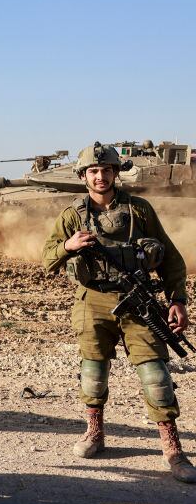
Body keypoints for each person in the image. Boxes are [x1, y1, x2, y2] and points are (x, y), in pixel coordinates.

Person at [42, 141, 194, 483]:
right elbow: (47, 258)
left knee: (155, 373)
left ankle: (173, 448)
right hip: (93, 301)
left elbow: (170, 257)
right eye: (94, 171)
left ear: (115, 174)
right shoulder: (73, 216)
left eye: (106, 170)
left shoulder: (139, 210)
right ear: (84, 176)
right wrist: (68, 245)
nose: (100, 176)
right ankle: (94, 432)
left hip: (137, 301)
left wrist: (178, 301)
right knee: (93, 370)